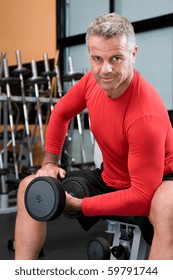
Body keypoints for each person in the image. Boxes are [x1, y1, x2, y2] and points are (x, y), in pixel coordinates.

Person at [15, 12, 173, 260]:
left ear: (133, 54)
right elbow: (60, 114)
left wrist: (80, 206)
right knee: (30, 188)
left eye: (116, 58)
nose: (105, 70)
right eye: (97, 59)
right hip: (112, 178)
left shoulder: (145, 114)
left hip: (157, 182)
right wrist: (49, 163)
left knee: (168, 207)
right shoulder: (91, 82)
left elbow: (142, 198)